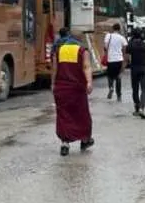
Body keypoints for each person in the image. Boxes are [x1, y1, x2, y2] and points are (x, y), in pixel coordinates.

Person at [51, 27, 95, 155]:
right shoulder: (82, 50)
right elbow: (86, 67)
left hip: (61, 88)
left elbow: (54, 69)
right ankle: (85, 140)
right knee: (82, 115)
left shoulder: (59, 50)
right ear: (80, 38)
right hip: (77, 89)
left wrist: (53, 84)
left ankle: (65, 143)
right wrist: (89, 82)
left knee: (64, 115)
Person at [125, 29, 145, 118]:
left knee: (135, 89)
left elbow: (127, 58)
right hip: (144, 68)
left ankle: (136, 107)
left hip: (134, 68)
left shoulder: (130, 45)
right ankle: (141, 108)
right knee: (144, 89)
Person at [103, 23, 128, 101]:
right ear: (119, 29)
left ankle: (111, 88)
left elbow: (105, 47)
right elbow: (124, 49)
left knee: (110, 76)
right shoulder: (122, 38)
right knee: (118, 78)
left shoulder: (108, 36)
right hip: (119, 59)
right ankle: (119, 95)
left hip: (110, 59)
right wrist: (124, 59)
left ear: (112, 29)